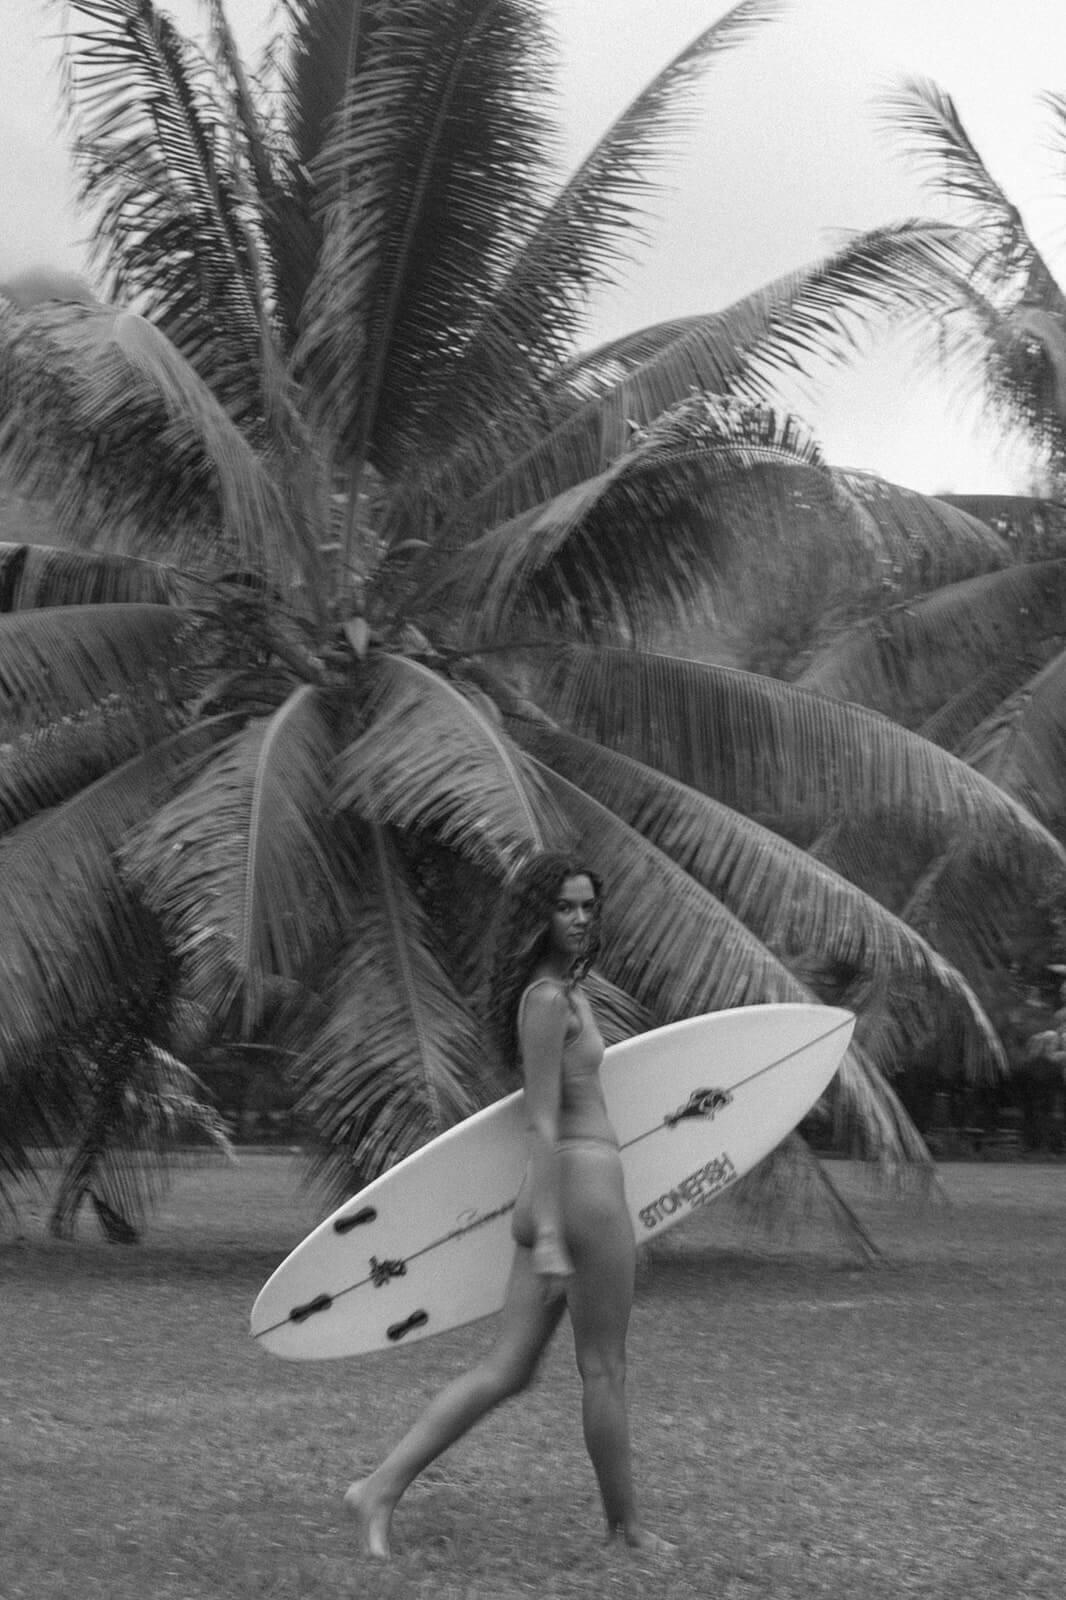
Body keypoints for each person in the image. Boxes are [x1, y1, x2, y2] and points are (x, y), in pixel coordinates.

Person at [343, 851, 673, 1560]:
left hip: (560, 1198)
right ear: (538, 916)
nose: (581, 918)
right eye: (566, 907)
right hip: (580, 1197)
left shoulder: (558, 993)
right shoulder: (548, 1000)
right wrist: (551, 1234)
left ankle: (377, 1488)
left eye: (589, 906)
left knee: (508, 1370)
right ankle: (627, 1532)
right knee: (605, 1370)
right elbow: (544, 1121)